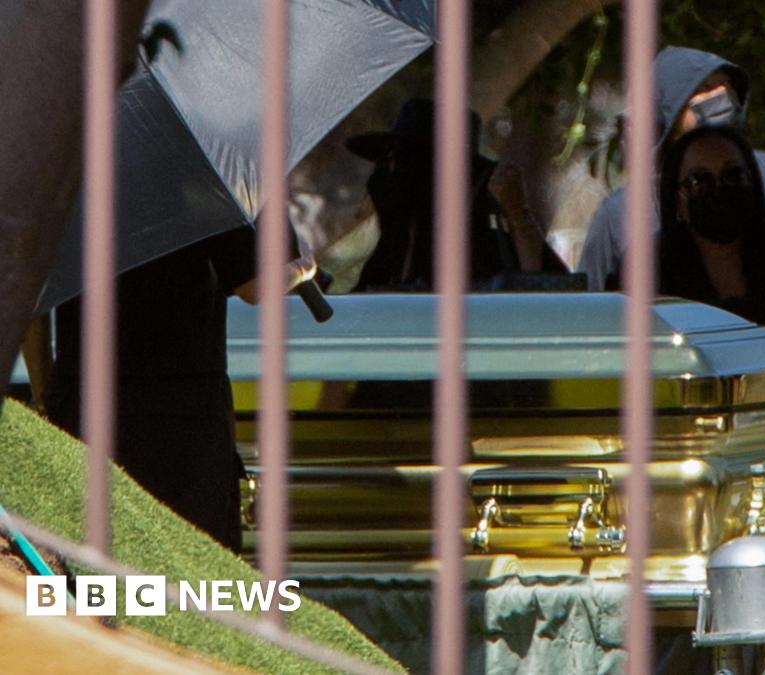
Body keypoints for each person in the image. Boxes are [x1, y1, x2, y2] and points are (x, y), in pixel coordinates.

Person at [579, 46, 765, 456]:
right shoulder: (621, 216)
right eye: (700, 91)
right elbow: (594, 328)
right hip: (673, 440)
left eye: (725, 88)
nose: (718, 99)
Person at [45, 227, 315, 549]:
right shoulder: (208, 182)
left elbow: (30, 295)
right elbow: (255, 285)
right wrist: (303, 267)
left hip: (83, 398)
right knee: (191, 568)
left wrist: (47, 393)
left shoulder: (62, 182)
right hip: (182, 414)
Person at [346, 98, 568, 292]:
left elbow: (550, 294)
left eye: (399, 158)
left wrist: (519, 214)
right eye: (386, 160)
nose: (388, 171)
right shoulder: (390, 254)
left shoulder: (484, 248)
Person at [636, 126, 765, 332]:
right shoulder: (649, 278)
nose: (719, 189)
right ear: (677, 201)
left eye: (733, 175)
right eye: (699, 181)